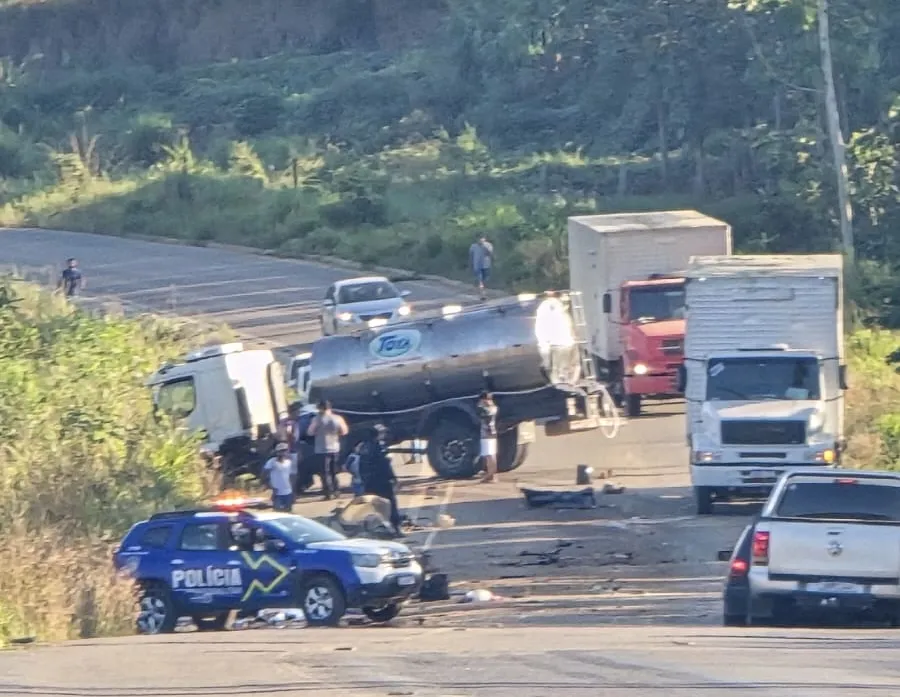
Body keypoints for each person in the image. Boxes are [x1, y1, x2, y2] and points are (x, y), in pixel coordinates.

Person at [359, 424, 403, 536]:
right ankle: (395, 528)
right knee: (390, 504)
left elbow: (361, 467)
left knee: (374, 506)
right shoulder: (378, 447)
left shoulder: (363, 448)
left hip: (369, 482)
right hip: (382, 481)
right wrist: (393, 478)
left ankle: (377, 529)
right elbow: (384, 466)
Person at [307, 400, 349, 501]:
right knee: (334, 471)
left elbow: (310, 432)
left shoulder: (317, 419)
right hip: (335, 447)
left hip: (322, 449)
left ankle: (328, 492)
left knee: (324, 472)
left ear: (320, 408)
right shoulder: (337, 418)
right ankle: (336, 490)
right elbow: (344, 431)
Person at [263, 442, 296, 512]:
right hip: (277, 493)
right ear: (277, 452)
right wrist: (270, 486)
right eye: (281, 451)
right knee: (277, 512)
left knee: (288, 512)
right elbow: (264, 474)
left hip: (288, 492)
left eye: (284, 451)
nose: (283, 453)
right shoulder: (272, 462)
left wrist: (293, 490)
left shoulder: (289, 462)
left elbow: (291, 477)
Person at [476, 391, 498, 483]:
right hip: (492, 433)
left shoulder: (486, 409)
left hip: (486, 434)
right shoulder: (494, 408)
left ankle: (491, 475)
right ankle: (491, 474)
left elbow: (479, 412)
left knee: (489, 456)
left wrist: (479, 405)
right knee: (492, 455)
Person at [469, 235, 494, 300]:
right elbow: (471, 255)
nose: (480, 240)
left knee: (485, 279)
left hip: (486, 265)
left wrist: (484, 248)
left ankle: (484, 291)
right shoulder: (473, 246)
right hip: (477, 265)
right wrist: (471, 264)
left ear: (484, 239)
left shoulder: (488, 245)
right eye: (479, 239)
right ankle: (482, 294)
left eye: (481, 239)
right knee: (480, 280)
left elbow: (490, 254)